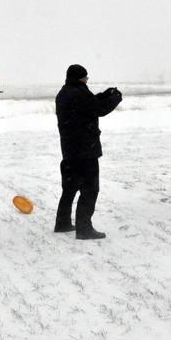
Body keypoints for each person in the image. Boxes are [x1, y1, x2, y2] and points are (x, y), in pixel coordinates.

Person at [54, 64, 122, 240]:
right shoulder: (79, 93)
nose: (86, 80)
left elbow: (90, 103)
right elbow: (99, 109)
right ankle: (84, 228)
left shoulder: (64, 93)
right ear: (80, 78)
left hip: (70, 149)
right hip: (85, 151)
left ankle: (62, 223)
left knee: (70, 187)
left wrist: (105, 94)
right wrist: (115, 98)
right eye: (86, 77)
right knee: (90, 189)